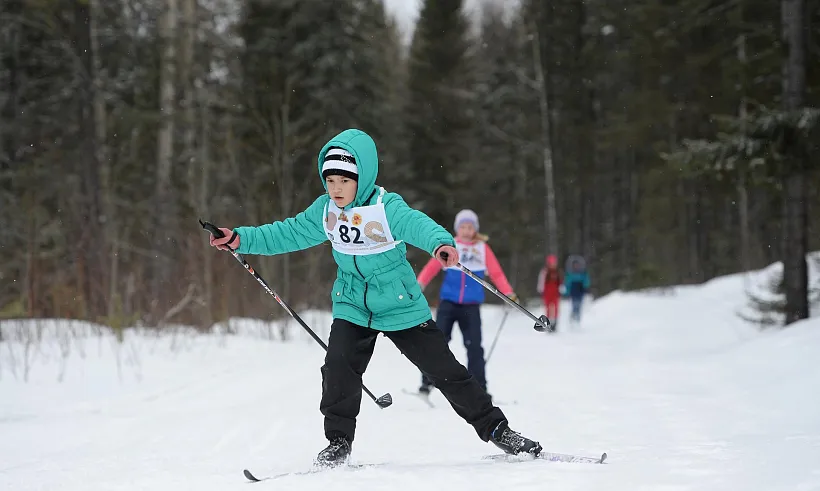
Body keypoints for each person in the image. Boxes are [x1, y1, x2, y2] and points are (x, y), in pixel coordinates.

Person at [207, 129, 541, 467]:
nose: (335, 188)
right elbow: (287, 232)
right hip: (352, 303)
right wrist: (239, 239)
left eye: (344, 180)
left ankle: (498, 428)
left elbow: (416, 224)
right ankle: (338, 442)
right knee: (338, 367)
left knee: (445, 371)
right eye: (330, 180)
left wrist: (439, 242)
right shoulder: (326, 211)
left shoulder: (385, 206)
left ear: (362, 177)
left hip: (400, 305)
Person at [414, 209, 518, 397]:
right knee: (438, 342)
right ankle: (427, 382)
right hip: (448, 303)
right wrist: (419, 283)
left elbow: (497, 273)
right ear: (457, 228)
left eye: (470, 227)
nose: (466, 230)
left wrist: (508, 292)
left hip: (471, 306)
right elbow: (431, 267)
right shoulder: (450, 246)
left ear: (475, 229)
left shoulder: (482, 248)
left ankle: (480, 387)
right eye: (463, 226)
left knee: (474, 346)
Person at [537, 254, 563, 331]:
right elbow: (541, 281)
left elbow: (560, 282)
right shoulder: (545, 271)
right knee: (548, 308)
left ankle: (555, 323)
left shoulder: (558, 271)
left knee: (556, 308)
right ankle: (547, 323)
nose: (553, 265)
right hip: (547, 293)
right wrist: (541, 290)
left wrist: (561, 289)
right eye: (551, 263)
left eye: (554, 263)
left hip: (555, 293)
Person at [563, 255, 590, 323]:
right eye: (575, 265)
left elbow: (586, 282)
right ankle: (573, 317)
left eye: (577, 265)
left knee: (579, 305)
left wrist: (586, 288)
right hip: (573, 292)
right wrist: (567, 293)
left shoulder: (582, 273)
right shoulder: (570, 274)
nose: (576, 266)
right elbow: (567, 284)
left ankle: (577, 319)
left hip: (580, 292)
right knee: (574, 305)